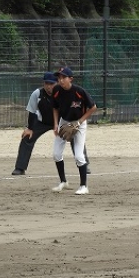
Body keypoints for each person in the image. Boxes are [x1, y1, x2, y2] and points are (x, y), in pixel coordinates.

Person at [11, 72, 90, 176]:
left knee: (75, 136)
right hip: (42, 122)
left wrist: (73, 124)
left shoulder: (64, 93)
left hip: (62, 121)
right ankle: (20, 168)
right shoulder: (37, 94)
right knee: (27, 137)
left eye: (52, 84)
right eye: (46, 83)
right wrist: (30, 128)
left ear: (57, 83)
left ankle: (84, 165)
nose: (49, 86)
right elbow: (32, 112)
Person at [51, 66, 98, 195]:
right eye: (59, 77)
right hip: (64, 122)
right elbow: (55, 108)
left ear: (70, 79)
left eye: (64, 77)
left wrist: (79, 122)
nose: (61, 80)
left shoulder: (79, 91)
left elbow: (93, 107)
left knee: (79, 156)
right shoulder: (56, 90)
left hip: (79, 122)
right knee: (56, 154)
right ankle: (63, 182)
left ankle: (84, 186)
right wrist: (55, 124)